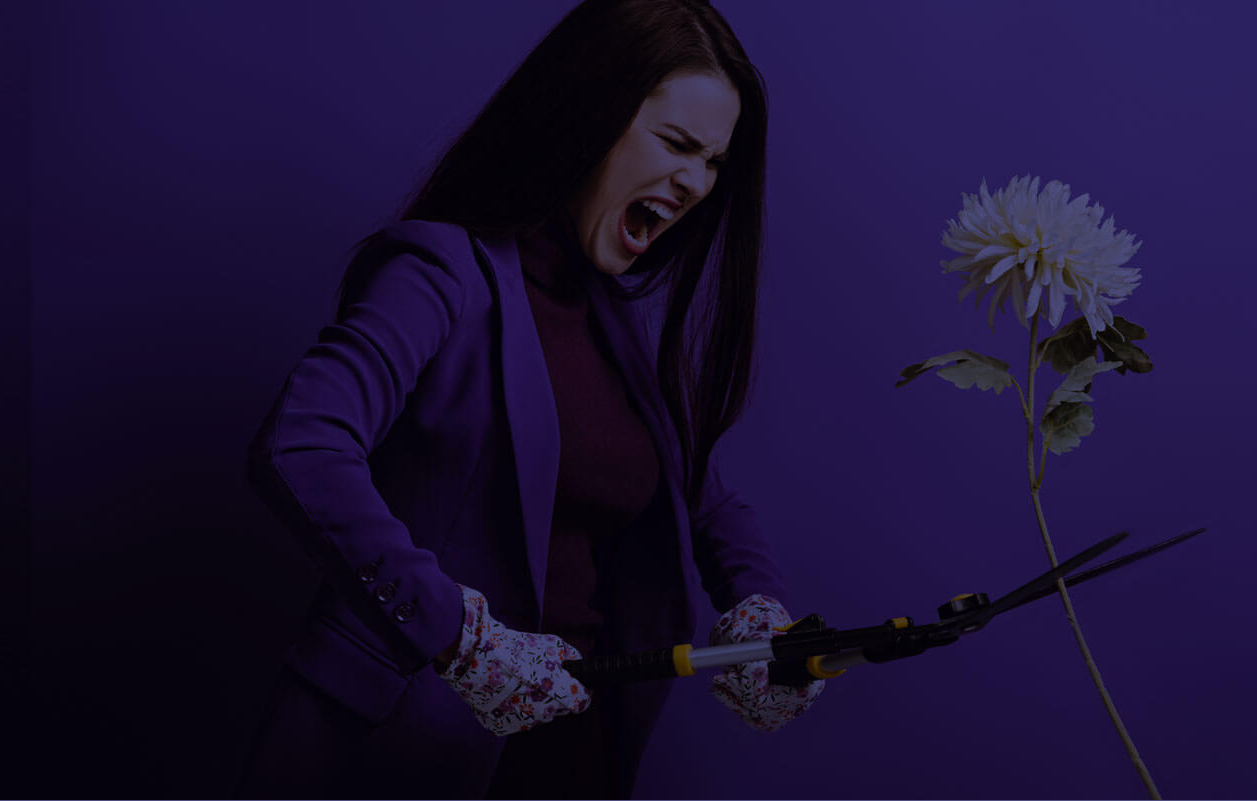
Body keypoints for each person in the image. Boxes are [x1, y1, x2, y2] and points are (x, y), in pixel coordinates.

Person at [233, 1, 826, 797]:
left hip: (572, 760)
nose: (696, 184)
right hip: (398, 753)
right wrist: (459, 636)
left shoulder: (612, 321)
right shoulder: (438, 273)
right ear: (592, 113)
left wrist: (760, 612)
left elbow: (704, 498)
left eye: (714, 163)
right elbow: (301, 446)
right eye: (678, 145)